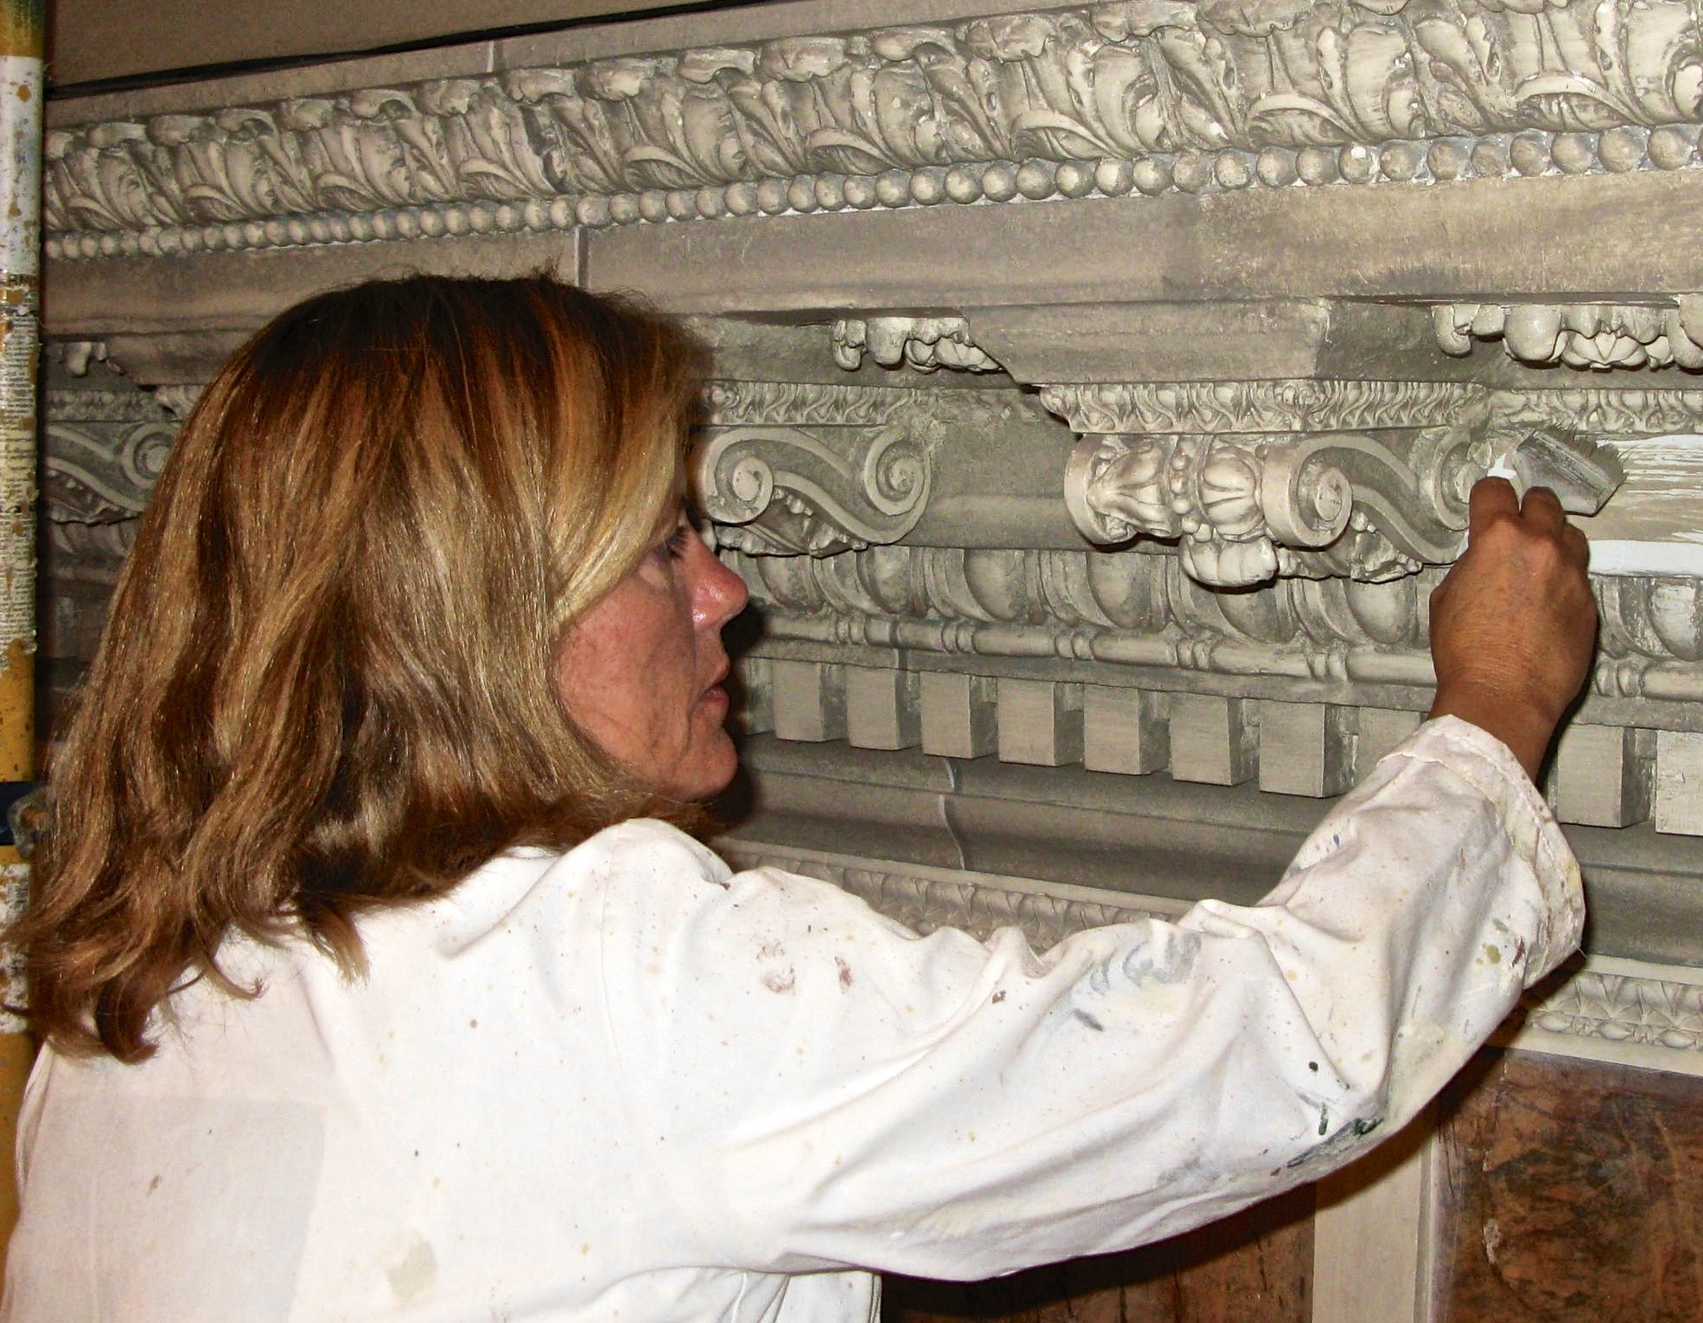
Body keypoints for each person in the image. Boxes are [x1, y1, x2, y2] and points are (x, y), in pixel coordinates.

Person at [3, 274, 1596, 1322]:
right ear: (474, 610)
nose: (730, 590)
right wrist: (1488, 720)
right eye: (657, 546)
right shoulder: (593, 976)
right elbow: (1237, 1054)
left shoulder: (141, 1005)